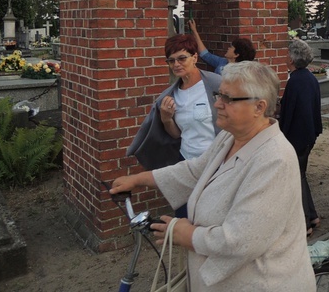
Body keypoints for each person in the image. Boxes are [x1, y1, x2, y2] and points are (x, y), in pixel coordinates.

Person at [112, 61, 316, 292]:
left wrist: (189, 236)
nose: (217, 103)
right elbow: (195, 170)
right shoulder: (228, 138)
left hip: (261, 283)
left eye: (228, 99)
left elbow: (242, 239)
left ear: (259, 107)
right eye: (219, 95)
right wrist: (141, 179)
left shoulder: (274, 159)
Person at [126, 34, 221, 217]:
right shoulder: (170, 96)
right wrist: (167, 119)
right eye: (171, 60)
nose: (176, 64)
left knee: (212, 217)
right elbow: (177, 135)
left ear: (195, 57)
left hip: (215, 164)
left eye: (181, 58)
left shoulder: (216, 85)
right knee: (185, 216)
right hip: (185, 162)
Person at [279, 38, 322, 237]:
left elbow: (292, 113)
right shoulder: (309, 78)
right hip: (307, 135)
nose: (285, 56)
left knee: (296, 179)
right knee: (301, 176)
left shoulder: (296, 81)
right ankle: (312, 215)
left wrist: (281, 134)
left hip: (297, 137)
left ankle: (305, 224)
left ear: (293, 58)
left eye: (288, 53)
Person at [189, 19, 256, 74]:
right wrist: (194, 31)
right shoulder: (223, 62)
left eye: (231, 47)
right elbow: (205, 55)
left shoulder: (240, 73)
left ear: (236, 54)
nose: (228, 48)